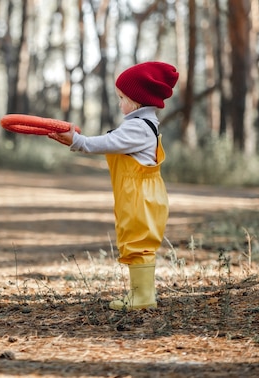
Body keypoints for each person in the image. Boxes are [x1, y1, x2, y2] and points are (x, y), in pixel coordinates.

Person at [48, 61, 179, 311]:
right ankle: (140, 294)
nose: (120, 104)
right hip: (138, 193)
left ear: (138, 101)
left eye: (122, 98)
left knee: (138, 242)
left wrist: (77, 141)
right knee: (133, 241)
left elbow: (108, 142)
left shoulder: (139, 128)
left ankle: (142, 297)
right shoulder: (142, 124)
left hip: (140, 195)